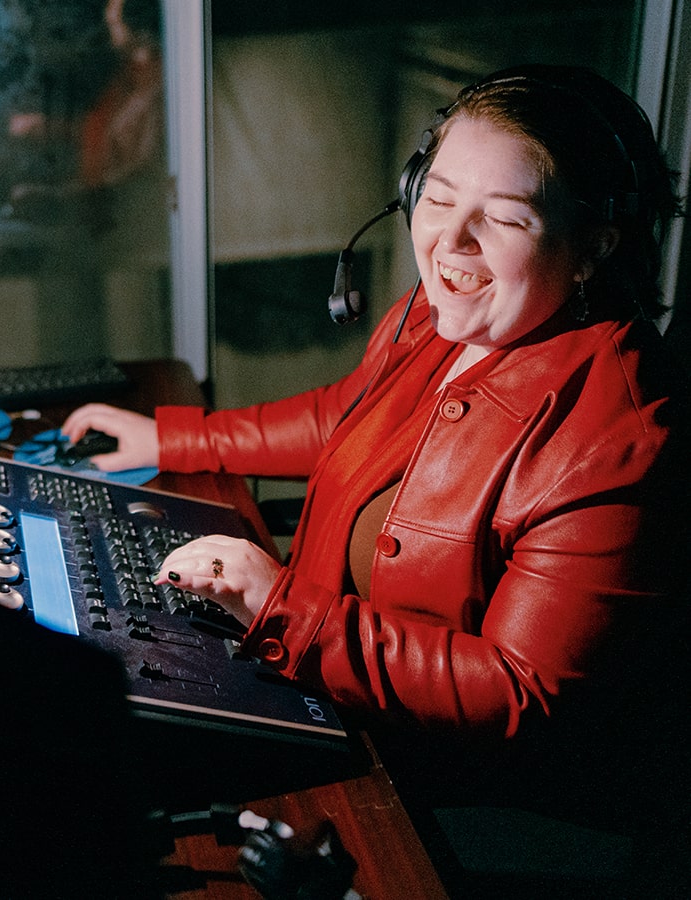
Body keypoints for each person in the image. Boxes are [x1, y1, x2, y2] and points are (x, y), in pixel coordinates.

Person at [62, 65, 689, 841]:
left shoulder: (618, 440)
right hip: (320, 677)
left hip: (434, 780)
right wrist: (176, 436)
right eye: (439, 196)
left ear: (594, 245)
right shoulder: (444, 316)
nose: (450, 241)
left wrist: (280, 606)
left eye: (505, 219)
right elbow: (347, 415)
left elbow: (521, 691)